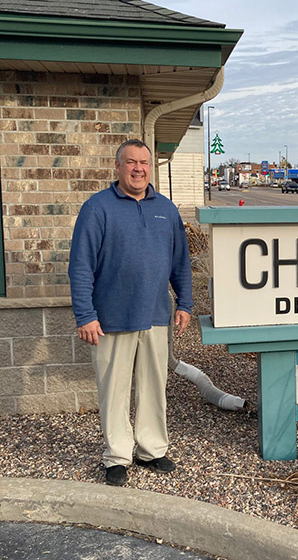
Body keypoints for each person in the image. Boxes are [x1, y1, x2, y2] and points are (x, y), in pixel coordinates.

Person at [69, 139, 193, 486]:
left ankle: (151, 449)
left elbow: (180, 262)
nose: (138, 169)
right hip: (110, 319)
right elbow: (80, 266)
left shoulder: (166, 210)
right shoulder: (98, 208)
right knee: (114, 389)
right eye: (131, 162)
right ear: (118, 167)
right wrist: (85, 314)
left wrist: (184, 303)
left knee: (155, 385)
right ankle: (117, 456)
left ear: (150, 168)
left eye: (144, 163)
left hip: (155, 314)